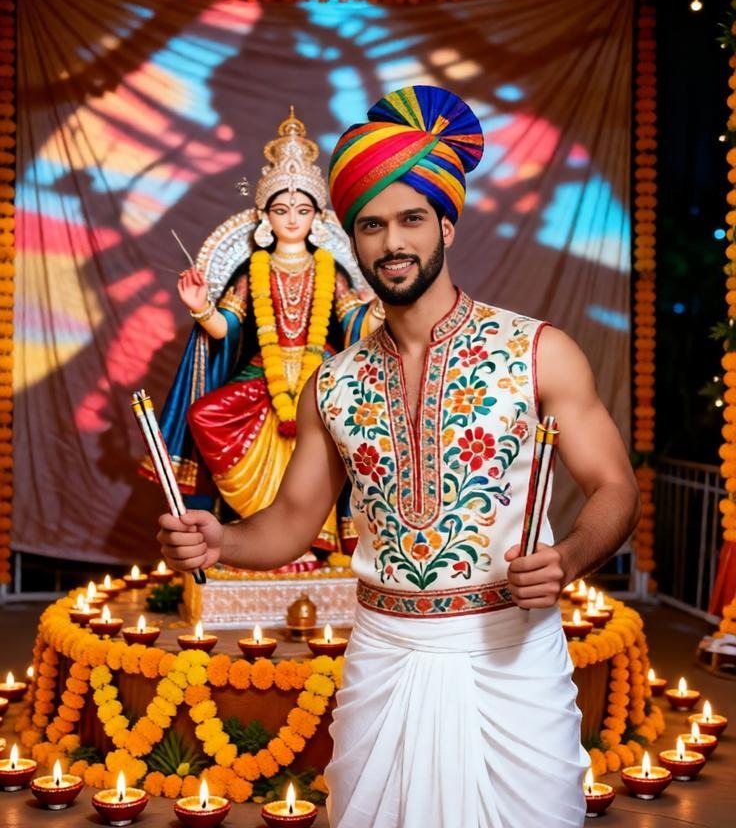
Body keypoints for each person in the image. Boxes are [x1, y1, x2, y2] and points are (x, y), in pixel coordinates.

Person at [158, 85, 639, 828]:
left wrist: (569, 556)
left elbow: (615, 486)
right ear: (351, 240)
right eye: (372, 225)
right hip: (383, 657)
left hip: (509, 660)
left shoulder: (538, 351)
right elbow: (289, 523)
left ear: (446, 221)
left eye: (411, 218)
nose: (393, 242)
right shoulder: (336, 382)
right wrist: (221, 538)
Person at [145, 108, 380, 561]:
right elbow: (226, 327)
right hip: (262, 376)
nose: (292, 219)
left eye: (302, 209)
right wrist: (200, 307)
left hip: (318, 378)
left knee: (342, 431)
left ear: (317, 216)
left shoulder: (330, 269)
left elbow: (355, 324)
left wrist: (384, 307)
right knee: (207, 417)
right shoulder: (254, 271)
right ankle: (256, 540)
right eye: (281, 209)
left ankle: (312, 541)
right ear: (264, 216)